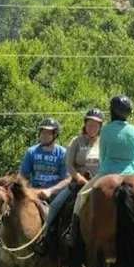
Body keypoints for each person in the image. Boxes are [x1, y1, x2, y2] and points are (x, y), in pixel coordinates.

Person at [37, 108, 103, 255]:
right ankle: (46, 239)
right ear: (85, 125)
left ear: (100, 127)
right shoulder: (76, 141)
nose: (92, 128)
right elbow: (69, 164)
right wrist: (78, 177)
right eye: (89, 124)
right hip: (77, 183)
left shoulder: (104, 143)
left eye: (95, 125)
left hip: (98, 183)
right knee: (54, 206)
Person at [72, 95, 134, 221]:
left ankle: (74, 229)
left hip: (107, 172)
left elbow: (103, 157)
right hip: (132, 173)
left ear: (112, 111)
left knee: (80, 197)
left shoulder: (106, 130)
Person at [18, 117, 70, 202]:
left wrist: (50, 191)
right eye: (42, 132)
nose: (44, 135)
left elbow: (67, 180)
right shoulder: (32, 152)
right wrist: (26, 190)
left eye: (48, 133)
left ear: (55, 135)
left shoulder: (63, 153)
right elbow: (23, 176)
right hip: (34, 193)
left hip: (55, 195)